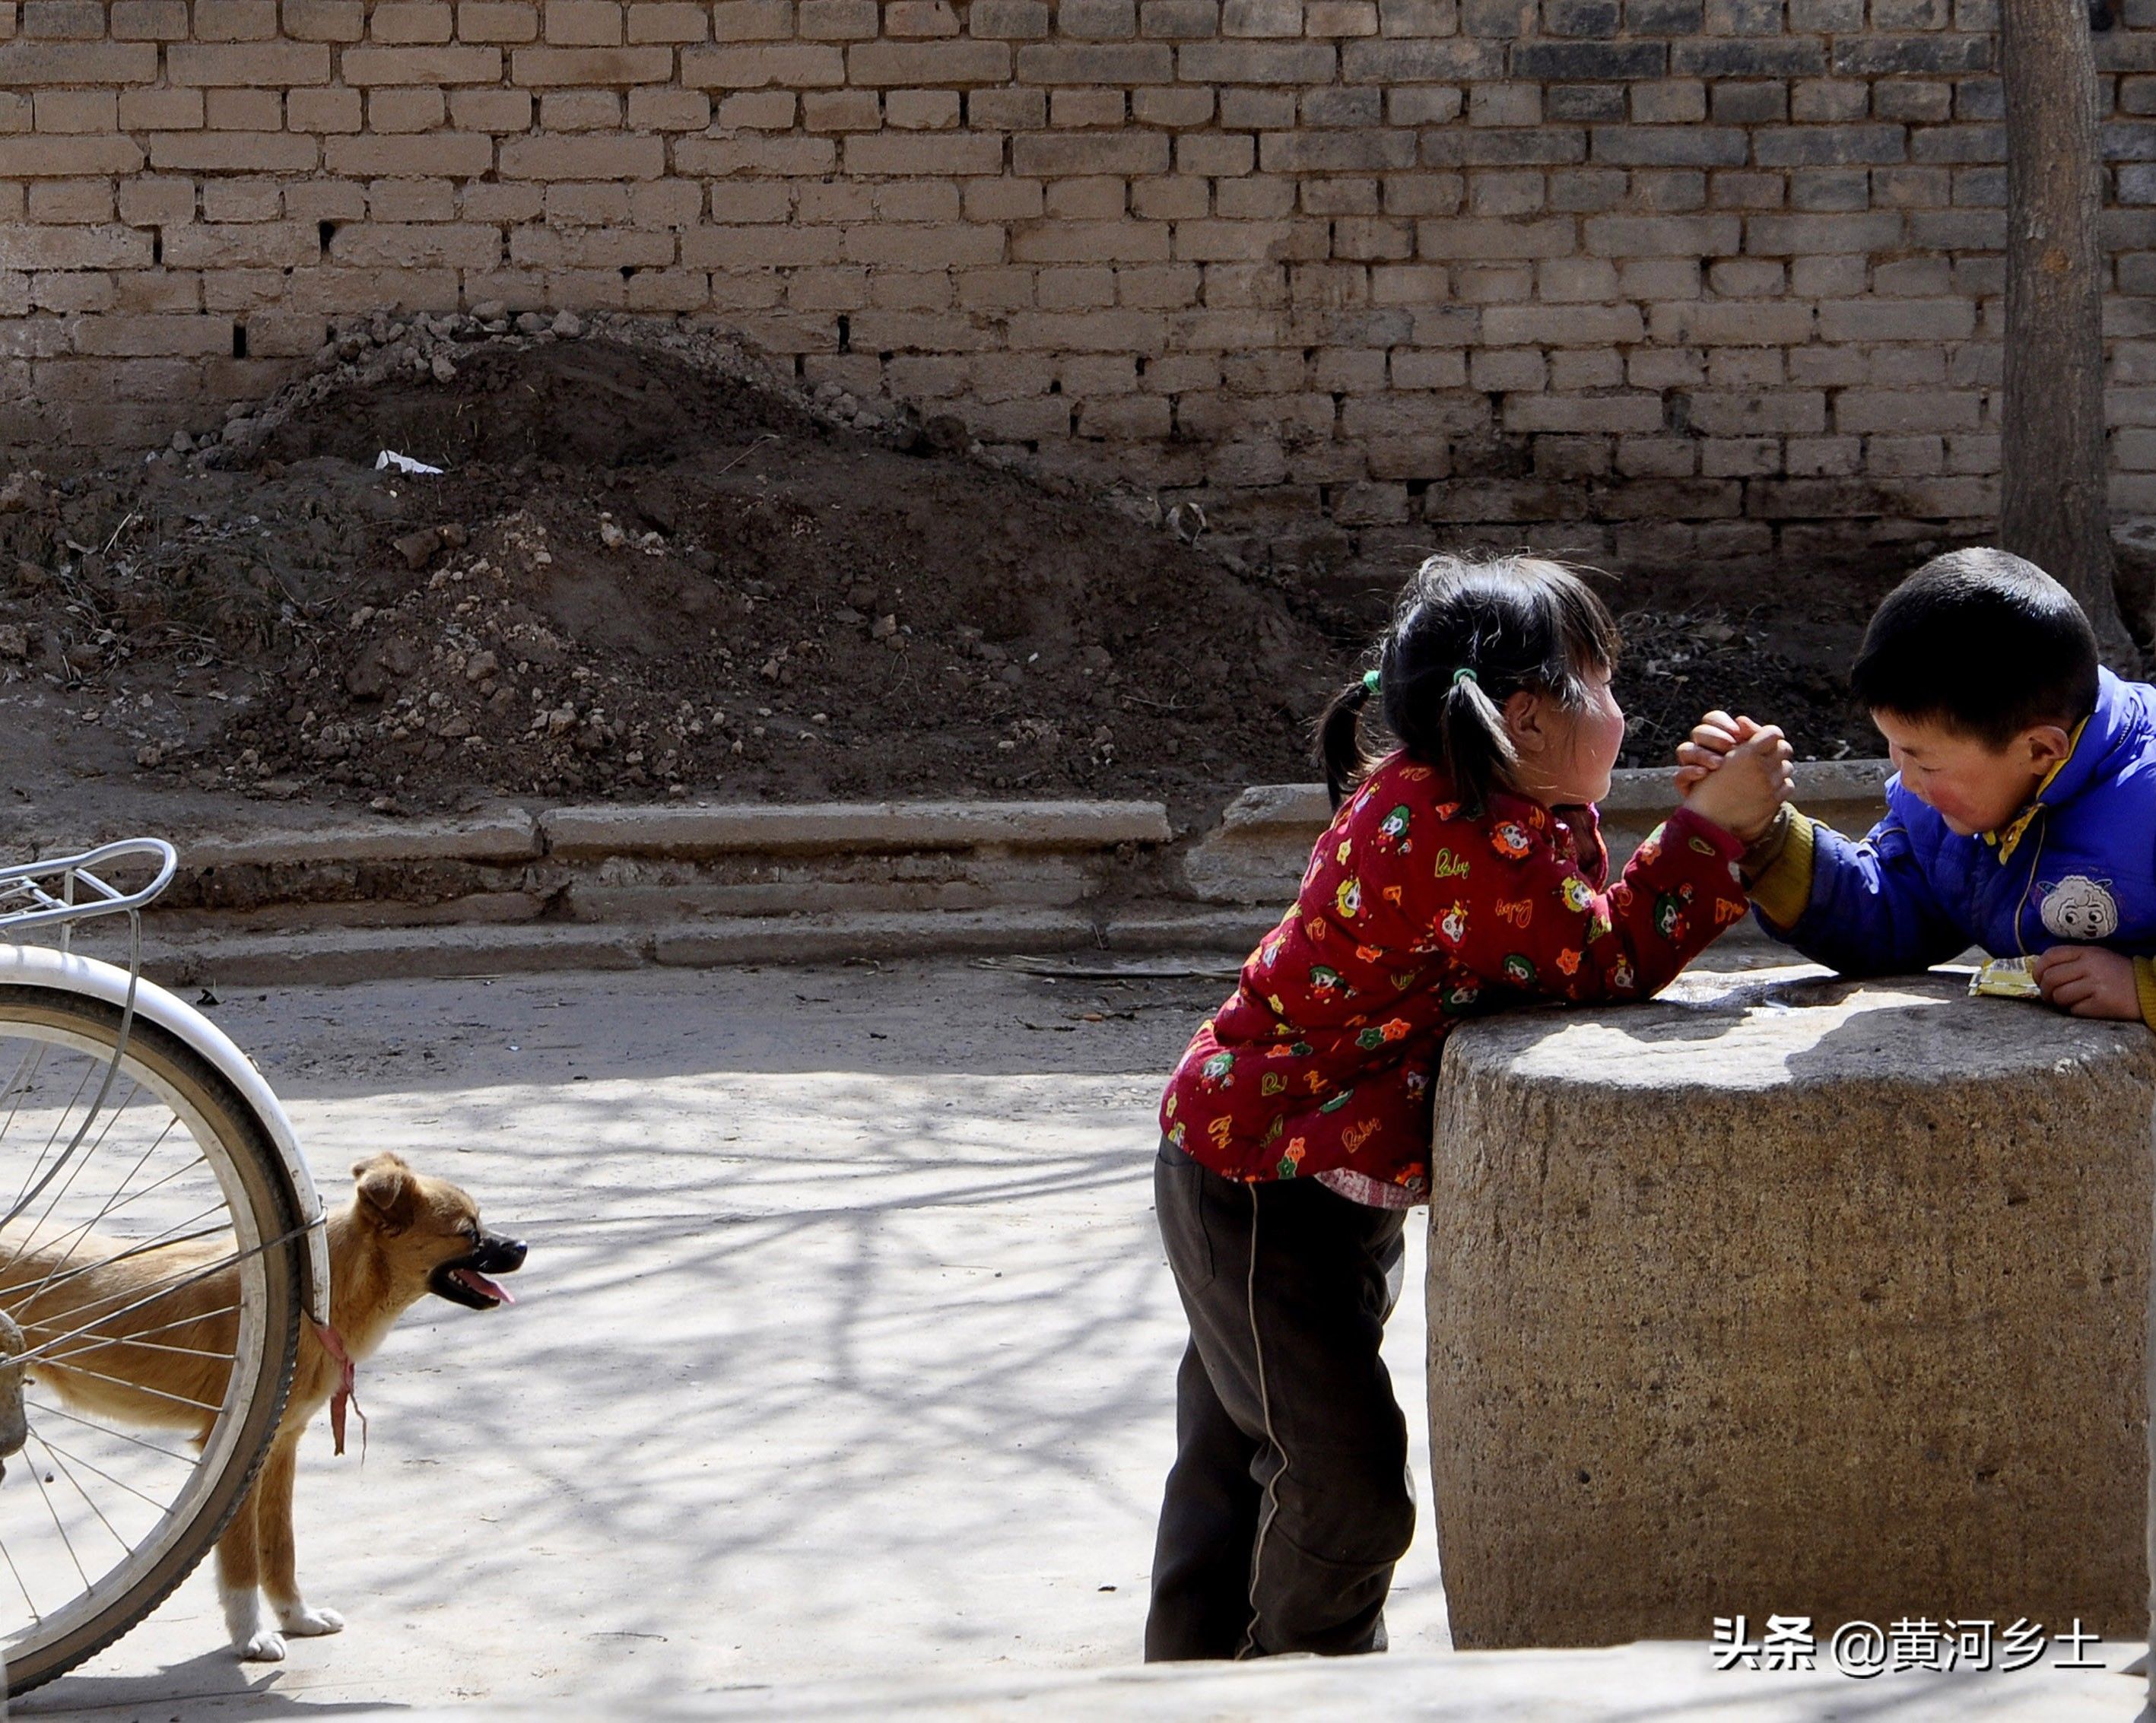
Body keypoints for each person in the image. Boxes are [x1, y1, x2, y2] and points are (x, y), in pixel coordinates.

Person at [1146, 553, 1796, 1662]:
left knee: (1249, 1460)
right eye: (1604, 683)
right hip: (1263, 1185)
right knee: (1345, 1492)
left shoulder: (1470, 800)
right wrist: (1711, 832)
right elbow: (1600, 954)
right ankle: (1299, 1690)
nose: (1625, 710)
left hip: (1288, 1167)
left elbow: (1560, 912)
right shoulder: (1452, 831)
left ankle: (1196, 1679)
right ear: (1530, 720)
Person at [1676, 546, 2156, 1023]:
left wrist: (2142, 990)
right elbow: (1888, 914)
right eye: (1896, 748)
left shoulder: (2145, 798)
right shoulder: (1946, 810)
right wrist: (1765, 835)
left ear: (2039, 751)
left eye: (1925, 763)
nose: (1904, 779)